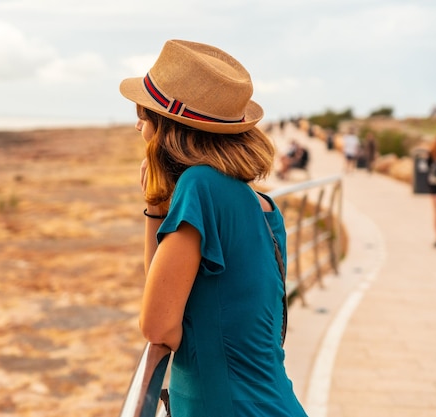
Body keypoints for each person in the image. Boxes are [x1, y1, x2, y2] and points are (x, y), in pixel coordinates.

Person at [120, 40, 307, 417]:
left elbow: (158, 325)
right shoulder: (263, 206)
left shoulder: (200, 187)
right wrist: (156, 205)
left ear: (169, 125)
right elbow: (166, 289)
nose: (138, 122)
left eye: (144, 112)